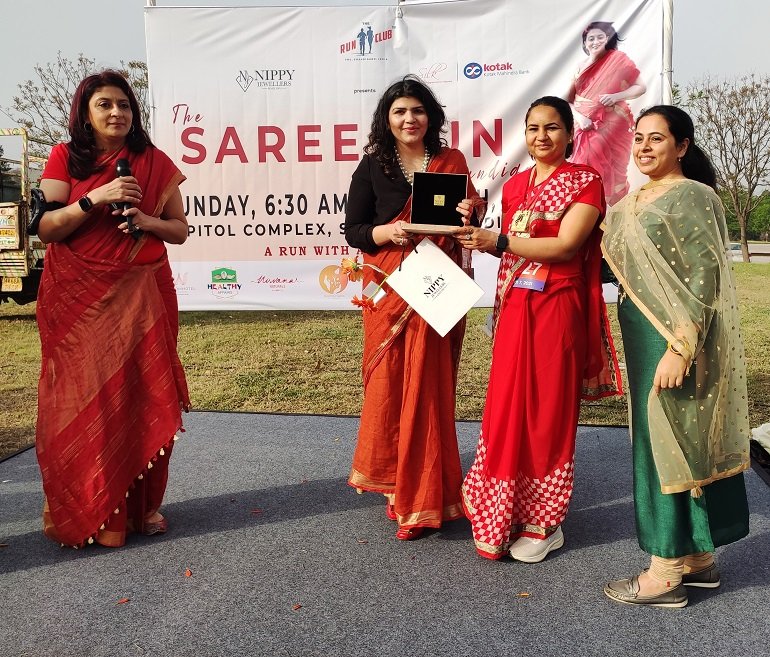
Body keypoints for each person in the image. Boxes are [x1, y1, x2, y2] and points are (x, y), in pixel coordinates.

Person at [456, 96, 622, 561]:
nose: (541, 136)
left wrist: (501, 239)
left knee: (547, 408)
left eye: (551, 128)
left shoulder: (585, 183)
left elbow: (567, 246)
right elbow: (513, 250)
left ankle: (544, 521)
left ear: (569, 134)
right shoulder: (514, 187)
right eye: (532, 128)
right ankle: (502, 507)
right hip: (515, 308)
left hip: (557, 308)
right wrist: (481, 238)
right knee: (508, 403)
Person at [34, 70, 191, 548]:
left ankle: (143, 507)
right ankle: (94, 508)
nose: (116, 113)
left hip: (144, 293)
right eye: (104, 104)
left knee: (141, 391)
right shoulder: (64, 157)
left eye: (124, 105)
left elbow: (179, 229)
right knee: (88, 398)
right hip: (79, 300)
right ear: (85, 111)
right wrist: (93, 199)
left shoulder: (152, 161)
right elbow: (46, 228)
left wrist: (145, 220)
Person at [601, 105, 750, 608]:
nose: (644, 148)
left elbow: (704, 276)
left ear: (682, 146)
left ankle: (665, 570)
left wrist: (681, 348)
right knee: (677, 438)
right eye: (639, 139)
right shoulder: (635, 200)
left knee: (665, 441)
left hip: (673, 339)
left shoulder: (692, 196)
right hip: (646, 334)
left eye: (656, 139)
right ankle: (699, 559)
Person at [344, 75, 486, 540]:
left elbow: (467, 221)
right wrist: (390, 233)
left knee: (430, 385)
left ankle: (429, 493)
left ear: (432, 117)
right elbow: (357, 231)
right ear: (387, 118)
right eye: (400, 111)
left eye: (418, 111)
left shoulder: (451, 161)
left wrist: (472, 210)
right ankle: (398, 484)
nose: (410, 119)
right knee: (391, 385)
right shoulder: (372, 166)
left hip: (438, 282)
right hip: (390, 284)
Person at [567, 21, 646, 206]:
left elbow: (641, 87)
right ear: (585, 43)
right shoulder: (580, 66)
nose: (595, 42)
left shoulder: (619, 60)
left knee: (616, 172)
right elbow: (568, 99)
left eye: (600, 37)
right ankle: (589, 212)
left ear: (608, 39)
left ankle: (619, 214)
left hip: (615, 123)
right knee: (586, 169)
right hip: (584, 126)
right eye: (590, 38)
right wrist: (579, 117)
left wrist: (616, 95)